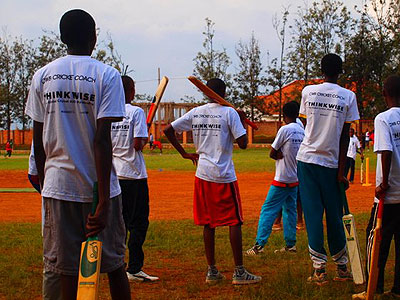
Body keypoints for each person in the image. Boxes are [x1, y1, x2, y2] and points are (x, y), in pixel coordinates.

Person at [25, 9, 131, 300]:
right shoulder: (106, 75)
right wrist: (105, 203)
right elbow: (101, 139)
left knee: (66, 270)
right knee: (114, 265)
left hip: (59, 187)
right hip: (98, 189)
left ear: (62, 38)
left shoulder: (42, 76)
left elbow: (38, 138)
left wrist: (48, 183)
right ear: (94, 36)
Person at [163, 78, 261, 285]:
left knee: (208, 223)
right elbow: (243, 144)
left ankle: (212, 271)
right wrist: (241, 120)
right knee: (234, 221)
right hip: (224, 175)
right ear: (224, 93)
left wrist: (183, 154)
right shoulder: (229, 113)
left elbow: (167, 130)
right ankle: (239, 272)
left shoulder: (197, 112)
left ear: (207, 93)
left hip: (203, 173)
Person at [296, 53, 360, 285]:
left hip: (307, 160)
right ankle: (342, 267)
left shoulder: (307, 92)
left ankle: (319, 270)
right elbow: (345, 135)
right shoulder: (348, 96)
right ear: (340, 71)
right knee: (334, 215)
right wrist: (342, 171)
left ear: (321, 70)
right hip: (332, 164)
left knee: (313, 215)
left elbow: (306, 123)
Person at [353, 75, 400, 299]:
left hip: (389, 195)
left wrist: (383, 184)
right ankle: (397, 288)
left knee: (376, 239)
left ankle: (374, 288)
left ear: (384, 94)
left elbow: (386, 151)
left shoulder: (383, 119)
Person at [111, 75, 159, 282]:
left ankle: (116, 264)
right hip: (133, 175)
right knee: (138, 223)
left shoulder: (106, 112)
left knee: (118, 222)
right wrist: (145, 136)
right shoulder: (136, 112)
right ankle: (135, 268)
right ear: (131, 91)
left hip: (113, 175)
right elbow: (138, 144)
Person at [246, 101, 304, 256]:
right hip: (295, 178)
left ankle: (259, 246)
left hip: (282, 178)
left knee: (268, 210)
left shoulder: (285, 129)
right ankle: (290, 245)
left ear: (284, 115)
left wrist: (278, 155)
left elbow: (272, 152)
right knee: (290, 210)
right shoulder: (302, 130)